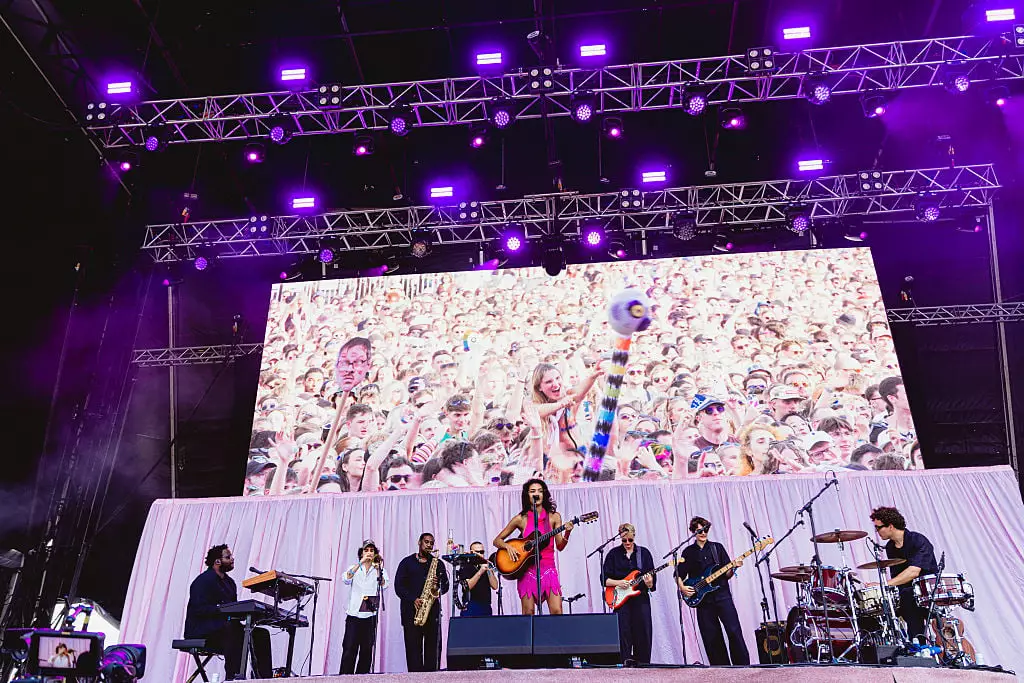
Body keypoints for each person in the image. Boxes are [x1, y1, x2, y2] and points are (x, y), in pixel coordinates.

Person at [183, 544, 272, 680]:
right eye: (228, 557)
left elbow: (233, 611)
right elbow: (198, 609)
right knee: (233, 629)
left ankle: (264, 679)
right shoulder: (203, 581)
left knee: (260, 634)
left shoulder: (230, 583)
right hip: (201, 630)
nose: (232, 559)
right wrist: (221, 609)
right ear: (217, 561)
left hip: (224, 629)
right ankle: (233, 678)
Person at [493, 479, 575, 615]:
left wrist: (568, 531)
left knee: (557, 611)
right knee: (528, 612)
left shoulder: (554, 517)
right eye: (532, 491)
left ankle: (554, 636)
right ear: (527, 495)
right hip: (527, 570)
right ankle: (531, 637)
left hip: (548, 569)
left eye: (539, 491)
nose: (536, 494)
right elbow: (497, 540)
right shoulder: (521, 518)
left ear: (544, 494)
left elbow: (560, 546)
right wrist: (508, 547)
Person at [675, 517, 750, 666]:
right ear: (693, 532)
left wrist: (733, 567)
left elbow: (727, 574)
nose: (703, 533)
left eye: (705, 530)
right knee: (711, 636)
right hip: (702, 600)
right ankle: (720, 669)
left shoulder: (717, 548)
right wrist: (682, 588)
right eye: (699, 530)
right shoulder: (688, 552)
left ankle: (743, 667)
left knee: (734, 630)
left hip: (722, 595)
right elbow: (678, 575)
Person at [870, 506, 939, 642]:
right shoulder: (890, 547)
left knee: (909, 601)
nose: (877, 532)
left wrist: (882, 585)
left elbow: (914, 571)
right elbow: (898, 577)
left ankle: (920, 646)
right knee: (876, 610)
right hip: (906, 593)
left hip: (927, 592)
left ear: (890, 526)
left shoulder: (917, 540)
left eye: (879, 528)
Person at [394, 533, 450, 672]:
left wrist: (438, 586)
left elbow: (446, 586)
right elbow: (399, 586)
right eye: (426, 542)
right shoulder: (406, 563)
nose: (429, 545)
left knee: (432, 653)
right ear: (419, 542)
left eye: (431, 543)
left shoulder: (437, 563)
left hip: (432, 614)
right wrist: (413, 599)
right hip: (411, 614)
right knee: (413, 653)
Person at [603, 523, 656, 665]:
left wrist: (650, 582)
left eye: (630, 540)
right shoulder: (613, 554)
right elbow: (604, 579)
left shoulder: (643, 553)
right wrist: (618, 582)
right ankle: (624, 664)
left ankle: (643, 664)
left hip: (641, 599)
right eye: (624, 540)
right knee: (623, 632)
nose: (627, 543)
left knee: (643, 631)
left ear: (634, 536)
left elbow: (651, 583)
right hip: (620, 600)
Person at [340, 540, 390, 674]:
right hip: (354, 616)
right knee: (349, 650)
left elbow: (384, 585)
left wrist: (378, 568)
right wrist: (360, 563)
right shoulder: (355, 567)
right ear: (361, 553)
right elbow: (345, 578)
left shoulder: (380, 570)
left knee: (367, 652)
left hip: (370, 617)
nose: (369, 553)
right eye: (366, 550)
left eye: (372, 551)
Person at [457, 542, 498, 616]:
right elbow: (467, 586)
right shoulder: (466, 565)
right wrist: (480, 572)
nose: (480, 554)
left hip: (486, 606)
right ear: (471, 552)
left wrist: (489, 570)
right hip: (471, 605)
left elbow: (495, 586)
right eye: (477, 552)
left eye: (481, 552)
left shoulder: (485, 565)